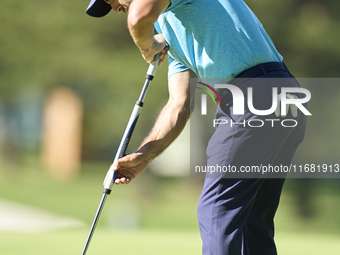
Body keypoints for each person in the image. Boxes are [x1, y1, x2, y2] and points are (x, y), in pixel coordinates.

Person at [85, 0, 307, 254]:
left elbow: (138, 17)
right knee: (250, 224)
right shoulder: (173, 26)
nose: (114, 8)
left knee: (217, 209)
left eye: (111, 0)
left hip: (253, 96)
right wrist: (145, 155)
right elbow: (179, 104)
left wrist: (147, 46)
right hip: (284, 97)